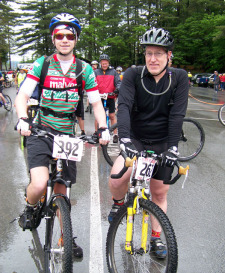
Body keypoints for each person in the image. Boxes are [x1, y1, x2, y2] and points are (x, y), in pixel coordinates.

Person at [15, 12, 110, 258]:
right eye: (60, 35)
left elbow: (97, 104)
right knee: (38, 184)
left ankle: (65, 237)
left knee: (62, 189)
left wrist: (103, 128)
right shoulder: (42, 64)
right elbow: (22, 96)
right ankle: (29, 205)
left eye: (70, 35)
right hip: (40, 130)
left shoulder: (85, 69)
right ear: (53, 38)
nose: (65, 39)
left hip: (67, 136)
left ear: (76, 39)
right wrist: (23, 118)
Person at [108, 27, 189, 258]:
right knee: (117, 179)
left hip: (163, 140)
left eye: (159, 54)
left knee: (159, 193)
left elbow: (177, 115)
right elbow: (122, 105)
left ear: (169, 55)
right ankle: (117, 204)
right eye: (148, 53)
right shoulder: (133, 74)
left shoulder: (180, 78)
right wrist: (123, 138)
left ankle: (155, 237)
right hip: (136, 137)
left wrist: (173, 148)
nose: (153, 58)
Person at [94, 54, 121, 143]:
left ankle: (115, 134)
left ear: (108, 63)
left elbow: (118, 82)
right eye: (103, 63)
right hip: (99, 97)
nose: (104, 65)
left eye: (106, 63)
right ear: (100, 63)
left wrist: (117, 90)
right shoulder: (96, 72)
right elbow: (92, 82)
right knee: (98, 116)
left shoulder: (113, 72)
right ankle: (96, 133)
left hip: (110, 96)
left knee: (112, 116)